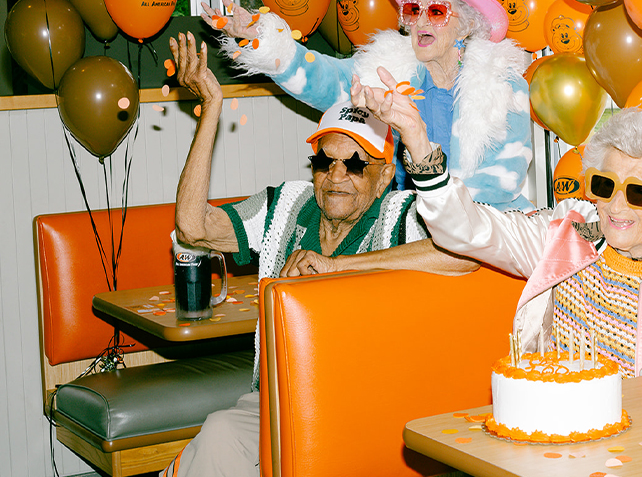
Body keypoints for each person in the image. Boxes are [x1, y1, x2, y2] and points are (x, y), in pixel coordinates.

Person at [161, 32, 478, 477]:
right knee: (217, 435)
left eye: (354, 164)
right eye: (324, 161)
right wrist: (211, 108)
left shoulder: (401, 214)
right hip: (279, 398)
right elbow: (193, 228)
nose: (336, 176)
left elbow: (463, 254)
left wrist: (339, 268)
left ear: (385, 175)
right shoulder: (286, 206)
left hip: (367, 407)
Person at [353, 81, 642, 378]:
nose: (616, 206)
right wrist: (417, 139)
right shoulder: (569, 232)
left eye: (638, 193)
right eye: (604, 185)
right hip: (550, 425)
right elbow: (468, 230)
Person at [200, 0, 534, 211]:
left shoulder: (502, 86)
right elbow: (326, 79)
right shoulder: (391, 68)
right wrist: (262, 38)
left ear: (466, 26)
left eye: (435, 11)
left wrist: (438, 217)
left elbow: (499, 184)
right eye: (413, 10)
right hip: (409, 224)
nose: (419, 21)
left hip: (487, 231)